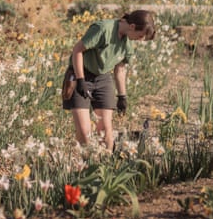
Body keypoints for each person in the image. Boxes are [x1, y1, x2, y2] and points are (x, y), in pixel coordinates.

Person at [63, 9, 156, 152]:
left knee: (105, 130)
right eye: (140, 36)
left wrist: (122, 97)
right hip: (80, 74)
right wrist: (81, 80)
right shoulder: (102, 29)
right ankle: (85, 165)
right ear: (132, 26)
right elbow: (77, 50)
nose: (140, 40)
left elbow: (120, 70)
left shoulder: (127, 43)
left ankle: (105, 166)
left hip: (103, 78)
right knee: (85, 133)